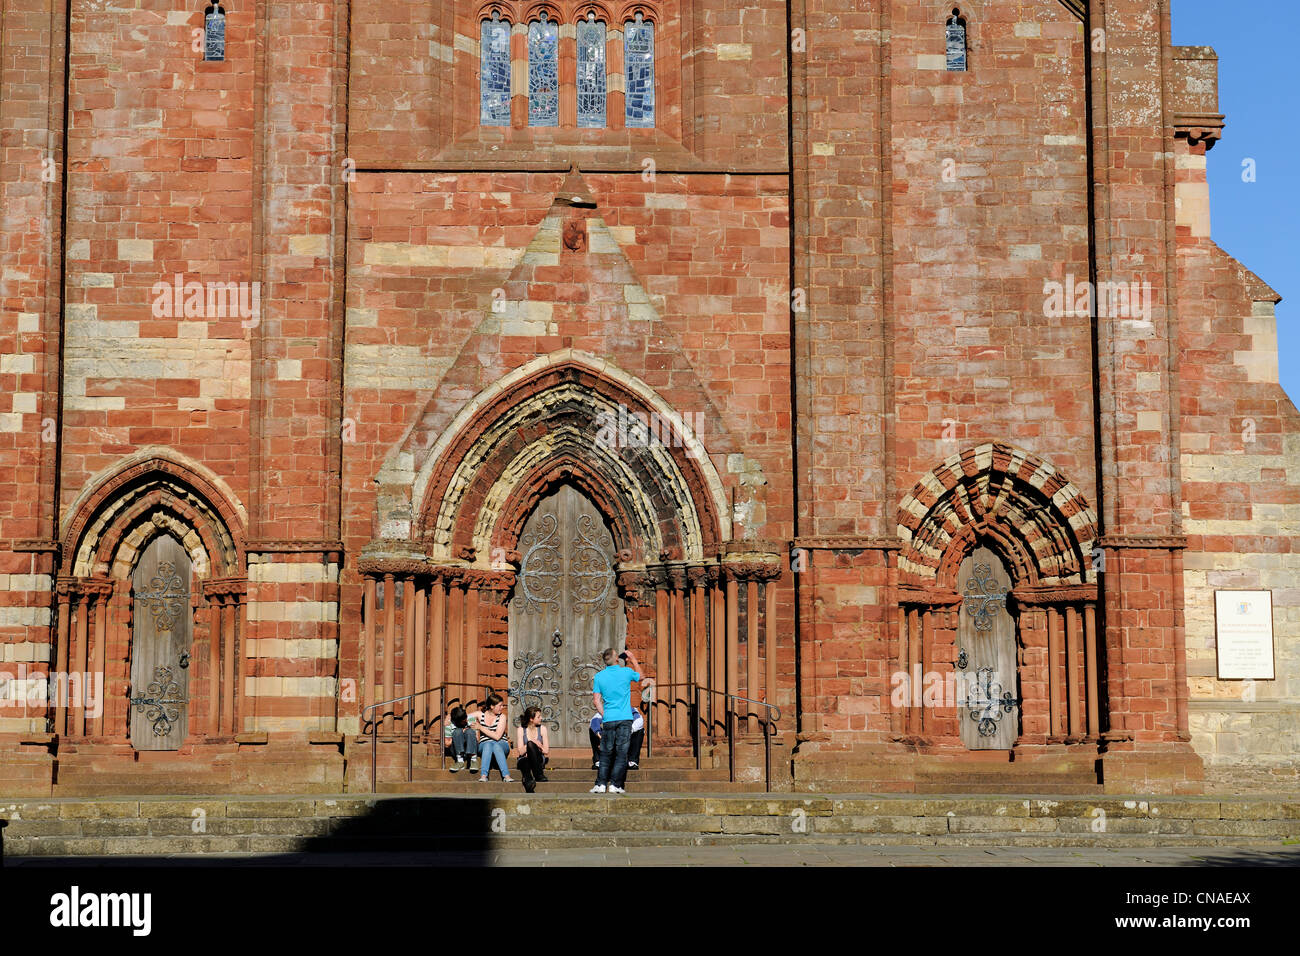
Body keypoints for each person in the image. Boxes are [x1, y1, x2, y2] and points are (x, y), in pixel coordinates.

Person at [590, 647, 646, 794]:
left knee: (606, 752)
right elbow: (641, 676)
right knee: (621, 753)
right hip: (625, 718)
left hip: (609, 719)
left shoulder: (599, 676)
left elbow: (596, 701)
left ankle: (601, 784)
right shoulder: (626, 672)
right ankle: (615, 784)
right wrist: (633, 659)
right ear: (616, 659)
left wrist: (605, 714)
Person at [476, 694, 513, 783]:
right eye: (500, 705)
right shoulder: (480, 715)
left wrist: (481, 728)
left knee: (495, 744)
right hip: (484, 745)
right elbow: (463, 716)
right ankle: (484, 775)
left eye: (503, 705)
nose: (502, 707)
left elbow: (497, 737)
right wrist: (449, 717)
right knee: (488, 744)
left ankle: (506, 775)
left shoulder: (502, 717)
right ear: (492, 706)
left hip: (501, 744)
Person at [514, 706, 550, 793]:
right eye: (538, 717)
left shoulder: (542, 729)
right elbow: (521, 751)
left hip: (538, 758)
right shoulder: (521, 730)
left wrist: (538, 746)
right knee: (525, 759)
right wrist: (532, 741)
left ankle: (538, 775)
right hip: (524, 759)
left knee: (530, 745)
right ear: (531, 719)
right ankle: (529, 781)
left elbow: (546, 751)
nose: (541, 718)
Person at [444, 704, 480, 773]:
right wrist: (458, 735)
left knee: (469, 731)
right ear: (457, 721)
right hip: (456, 750)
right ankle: (460, 761)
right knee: (457, 731)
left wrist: (466, 733)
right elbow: (447, 744)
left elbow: (477, 739)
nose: (466, 720)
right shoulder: (449, 724)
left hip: (471, 748)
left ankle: (474, 760)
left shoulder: (471, 719)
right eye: (464, 720)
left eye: (466, 717)